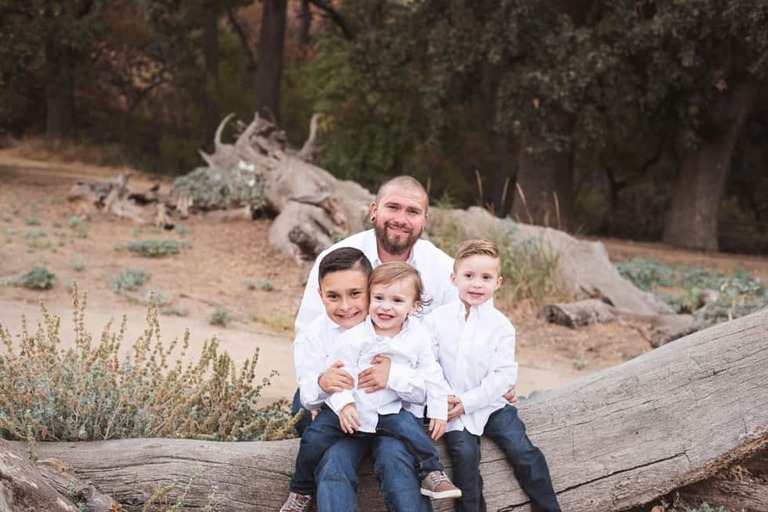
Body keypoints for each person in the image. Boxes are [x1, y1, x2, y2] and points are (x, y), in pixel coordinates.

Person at [291, 175, 457, 512]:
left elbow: (458, 341)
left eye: (412, 211)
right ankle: (315, 483)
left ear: (425, 219)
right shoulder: (338, 258)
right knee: (323, 441)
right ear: (373, 210)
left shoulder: (442, 269)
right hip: (339, 388)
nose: (400, 218)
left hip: (403, 396)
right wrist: (327, 385)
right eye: (392, 207)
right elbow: (309, 334)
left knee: (397, 454)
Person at [423, 239, 561, 512]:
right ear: (454, 278)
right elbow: (429, 364)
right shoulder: (437, 320)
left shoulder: (501, 326)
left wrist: (468, 402)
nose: (476, 284)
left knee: (523, 452)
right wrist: (446, 400)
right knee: (465, 457)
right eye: (469, 276)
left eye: (485, 277)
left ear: (498, 283)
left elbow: (502, 375)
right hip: (452, 407)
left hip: (491, 403)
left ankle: (548, 508)